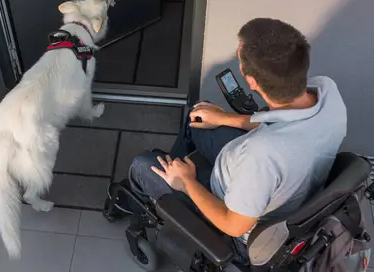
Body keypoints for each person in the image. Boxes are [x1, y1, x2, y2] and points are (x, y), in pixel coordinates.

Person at [119, 18, 347, 263]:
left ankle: (142, 202)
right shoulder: (327, 93)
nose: (239, 65)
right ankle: (176, 167)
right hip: (278, 180)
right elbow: (283, 119)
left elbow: (234, 225)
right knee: (197, 117)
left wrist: (187, 183)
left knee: (142, 165)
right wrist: (225, 118)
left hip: (237, 221)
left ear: (251, 82)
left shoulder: (261, 155)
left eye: (240, 62)